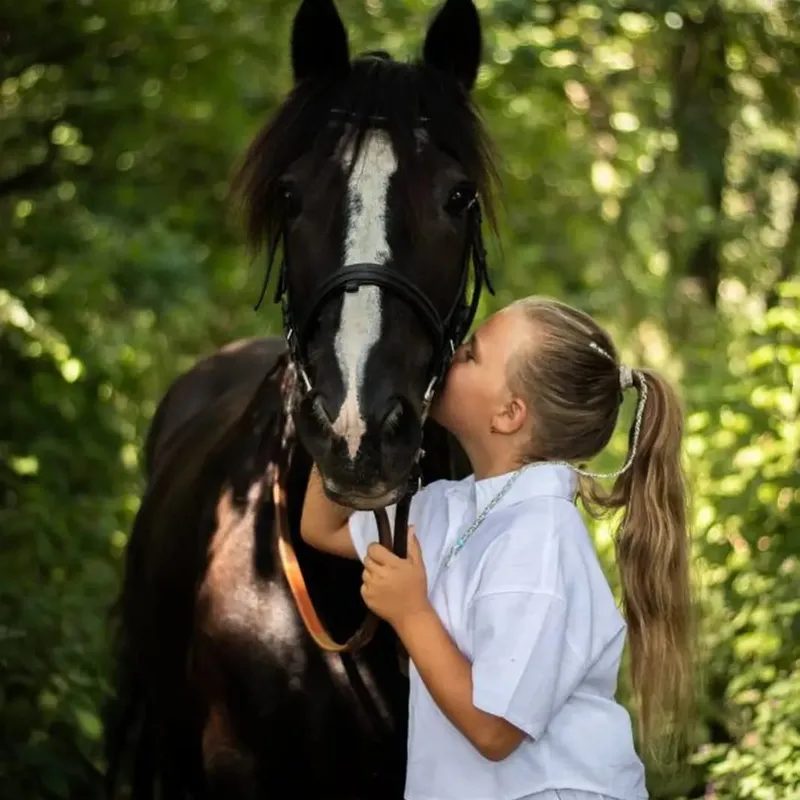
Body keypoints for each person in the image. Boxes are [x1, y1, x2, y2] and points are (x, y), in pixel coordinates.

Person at [300, 296, 695, 800]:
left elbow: (495, 731)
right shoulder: (449, 504)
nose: (449, 355)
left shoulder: (541, 536)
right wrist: (355, 398)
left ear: (509, 414)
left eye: (470, 355)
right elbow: (323, 526)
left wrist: (411, 612)